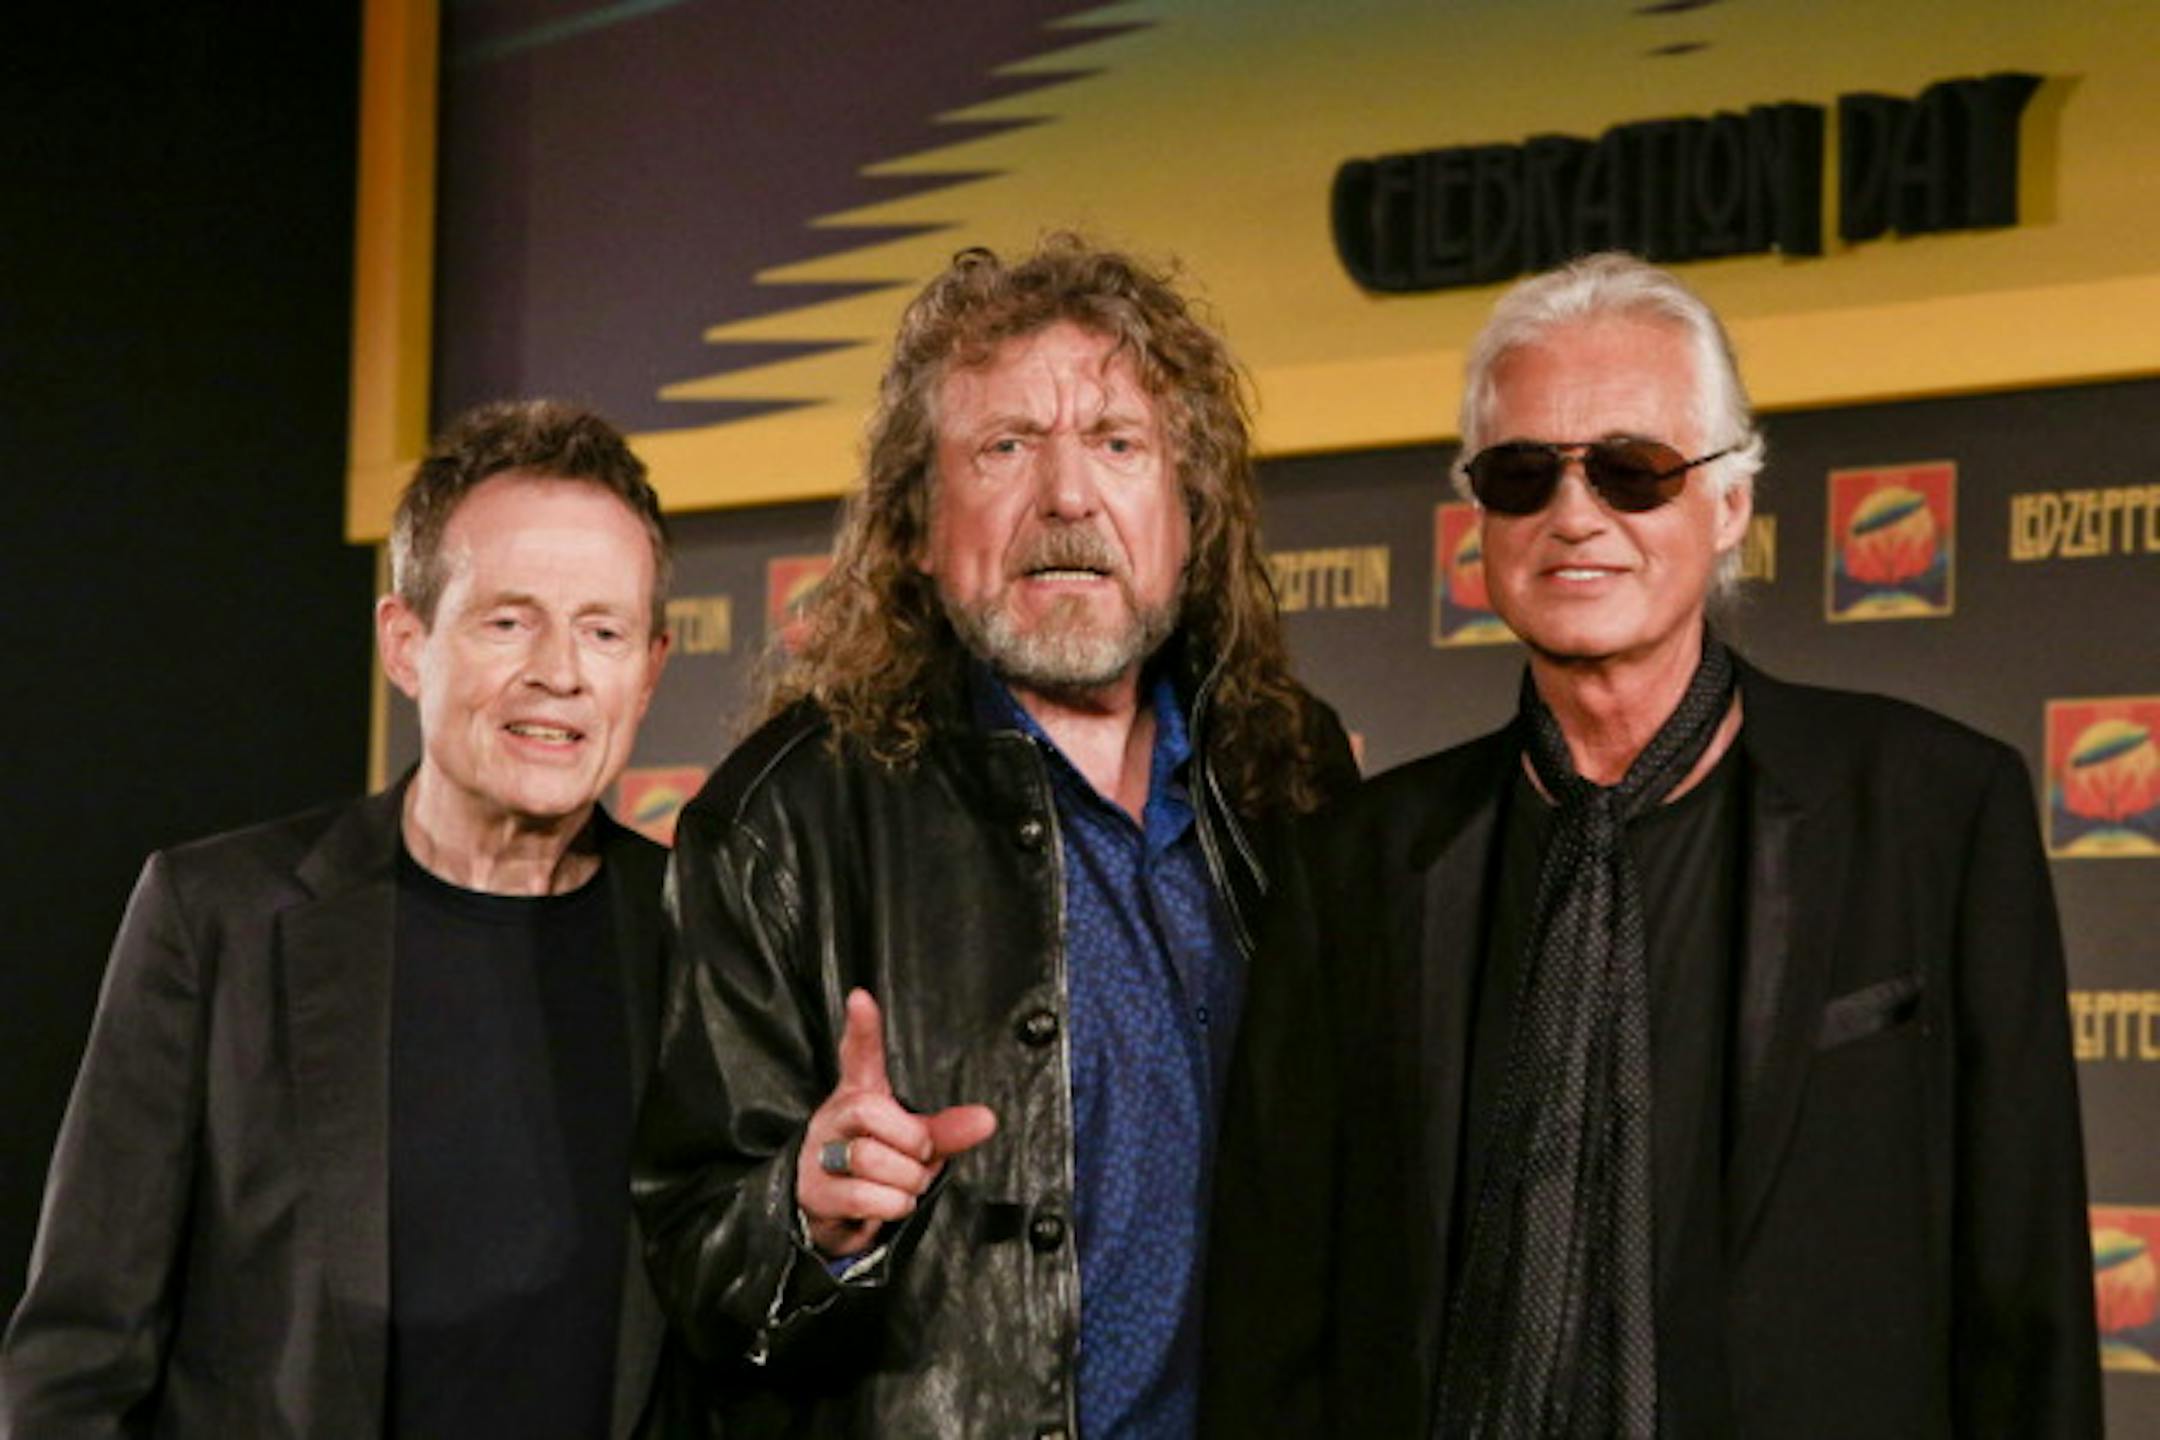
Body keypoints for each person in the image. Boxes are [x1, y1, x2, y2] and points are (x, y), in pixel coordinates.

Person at [1203, 252, 2100, 1438]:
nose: (1575, 515)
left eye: (1634, 471)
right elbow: (1274, 1333)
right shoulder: (1358, 864)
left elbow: (2028, 1306)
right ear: (1479, 519)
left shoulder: (1936, 812)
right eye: (1523, 476)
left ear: (1729, 504)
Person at [634, 234, 1357, 1438]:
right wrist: (811, 1219)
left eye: (1118, 445)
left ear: (1189, 518)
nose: (1067, 497)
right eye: (1006, 446)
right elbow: (696, 1251)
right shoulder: (784, 821)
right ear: (918, 525)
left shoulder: (1290, 776)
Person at [1, 401, 678, 1438]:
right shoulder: (217, 919)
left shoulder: (701, 937)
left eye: (604, 630)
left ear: (651, 668)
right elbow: (77, 1362)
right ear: (406, 644)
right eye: (508, 621)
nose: (560, 671)